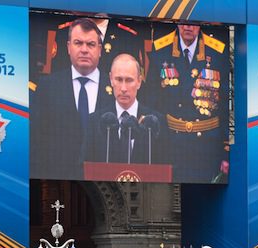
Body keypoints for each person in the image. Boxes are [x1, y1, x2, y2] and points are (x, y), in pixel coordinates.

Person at [30, 17, 113, 180]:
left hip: (106, 181)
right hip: (56, 178)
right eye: (78, 43)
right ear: (68, 47)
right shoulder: (48, 86)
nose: (84, 49)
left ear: (100, 50)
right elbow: (37, 140)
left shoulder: (115, 87)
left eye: (90, 44)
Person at [146, 24, 229, 183]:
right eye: (184, 22)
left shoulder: (218, 52)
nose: (188, 26)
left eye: (193, 22)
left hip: (207, 146)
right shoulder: (160, 50)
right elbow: (151, 100)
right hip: (170, 144)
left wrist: (226, 152)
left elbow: (226, 106)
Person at [85, 54, 169, 166]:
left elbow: (165, 169)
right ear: (111, 79)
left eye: (129, 80)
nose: (123, 88)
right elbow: (85, 168)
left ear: (139, 81)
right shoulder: (94, 121)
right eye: (119, 80)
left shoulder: (156, 122)